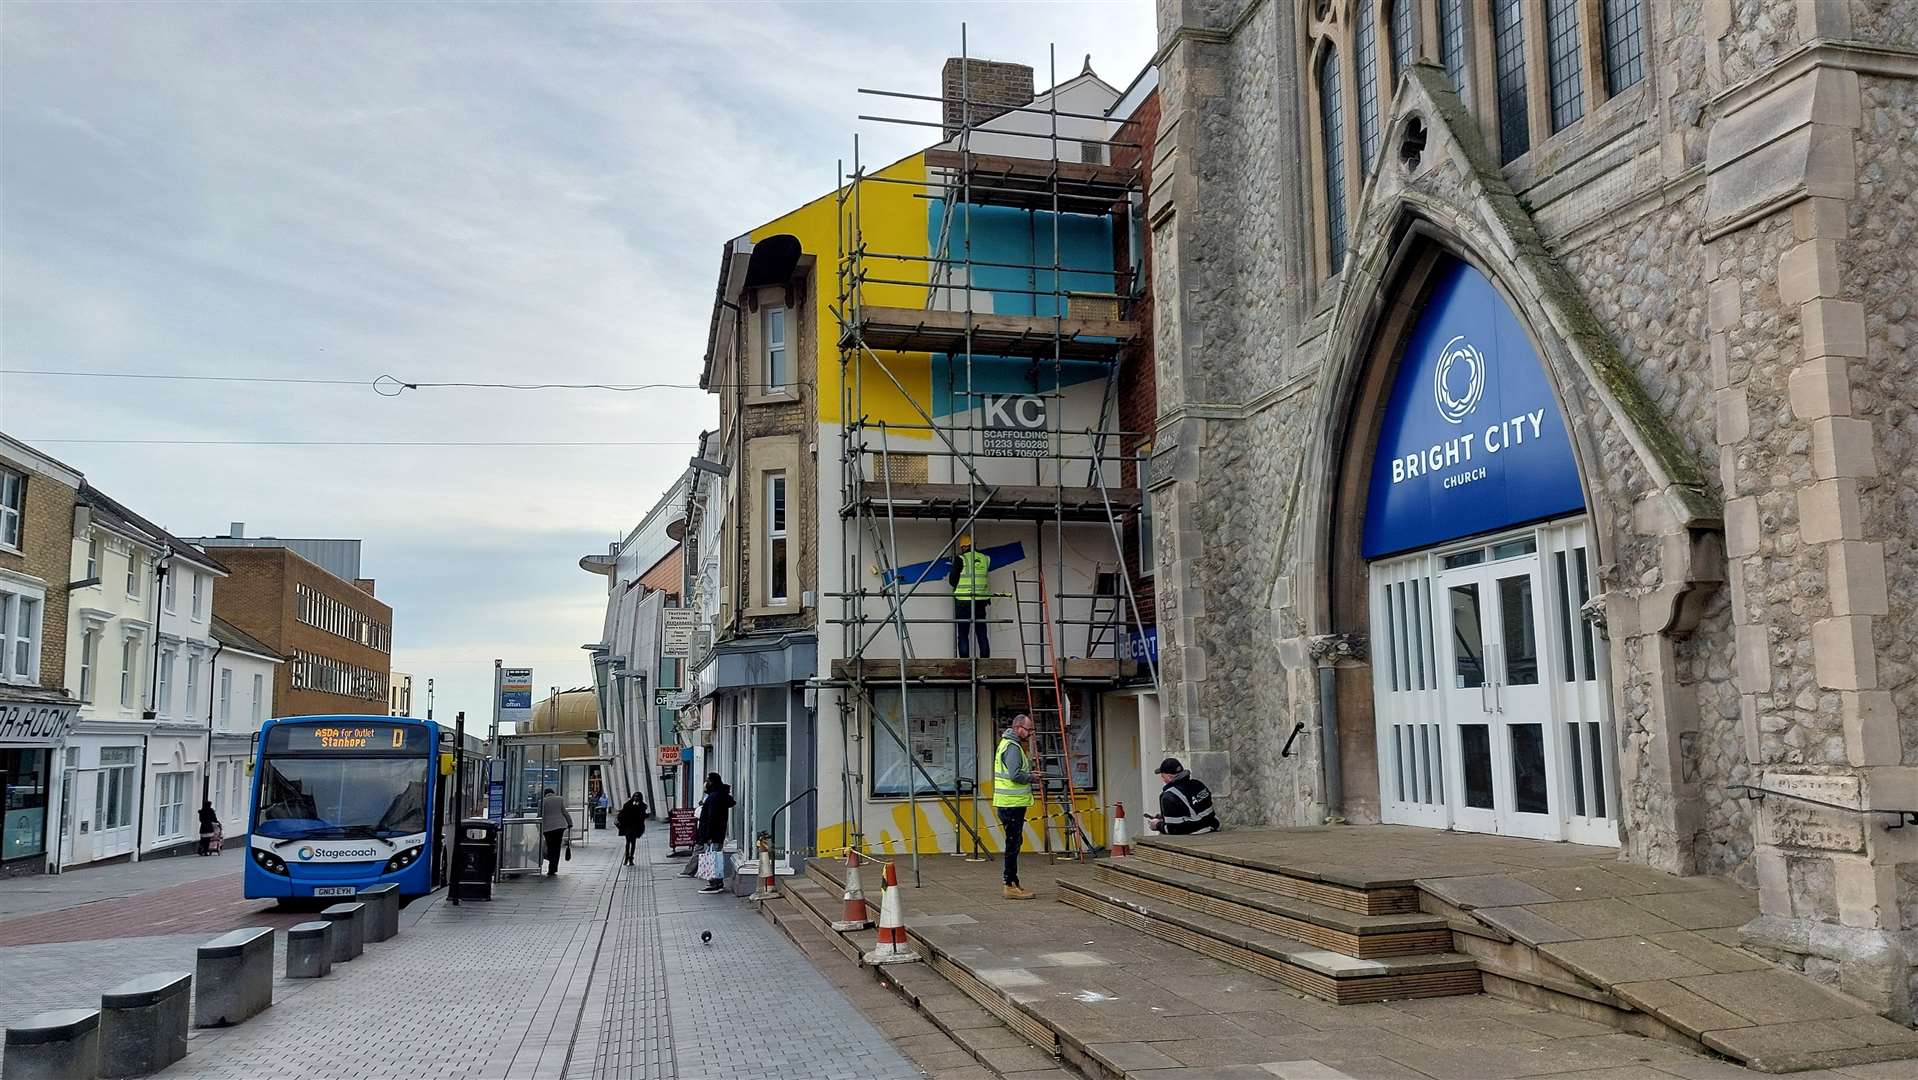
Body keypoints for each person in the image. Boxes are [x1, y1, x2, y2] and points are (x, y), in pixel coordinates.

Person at [992, 713, 1042, 900]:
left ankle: (1013, 882)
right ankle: (1010, 884)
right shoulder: (1012, 747)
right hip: (1011, 804)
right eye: (1028, 730)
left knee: (1014, 843)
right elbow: (1014, 775)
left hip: (1009, 804)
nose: (1030, 733)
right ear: (1017, 727)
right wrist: (1032, 777)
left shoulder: (1008, 744)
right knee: (1012, 845)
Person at [1145, 757, 1221, 835]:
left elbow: (1173, 829)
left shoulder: (1168, 796)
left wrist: (1157, 825)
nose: (1162, 779)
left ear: (1169, 777)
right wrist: (1165, 816)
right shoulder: (1198, 784)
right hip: (1212, 827)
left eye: (1163, 776)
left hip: (1194, 835)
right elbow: (1195, 810)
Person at [949, 532, 992, 658]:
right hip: (980, 602)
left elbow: (952, 581)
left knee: (963, 634)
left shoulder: (960, 559)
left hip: (963, 601)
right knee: (982, 633)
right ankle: (985, 662)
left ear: (963, 546)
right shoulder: (985, 558)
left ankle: (965, 664)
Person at [693, 773, 735, 894]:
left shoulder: (714, 797)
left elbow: (712, 817)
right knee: (715, 857)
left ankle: (715, 883)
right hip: (719, 833)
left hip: (714, 834)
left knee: (713, 858)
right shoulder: (720, 795)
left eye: (707, 781)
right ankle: (716, 882)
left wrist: (709, 836)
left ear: (712, 782)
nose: (705, 783)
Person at [539, 787, 574, 876]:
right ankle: (553, 868)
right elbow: (565, 812)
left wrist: (538, 827)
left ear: (545, 794)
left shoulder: (542, 802)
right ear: (553, 793)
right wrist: (570, 823)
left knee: (550, 847)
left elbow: (539, 815)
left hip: (548, 829)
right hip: (559, 828)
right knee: (557, 847)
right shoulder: (559, 799)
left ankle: (551, 866)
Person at [616, 791, 648, 866]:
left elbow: (643, 816)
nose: (636, 798)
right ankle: (626, 857)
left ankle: (631, 858)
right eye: (635, 796)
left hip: (636, 827)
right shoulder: (627, 805)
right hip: (628, 826)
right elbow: (623, 814)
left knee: (633, 843)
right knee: (628, 843)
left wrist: (645, 815)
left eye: (637, 797)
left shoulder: (642, 806)